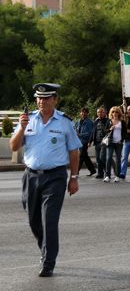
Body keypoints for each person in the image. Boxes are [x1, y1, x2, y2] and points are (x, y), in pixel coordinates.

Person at [10, 83, 82, 277]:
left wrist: (73, 178)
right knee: (34, 221)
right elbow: (14, 147)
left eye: (46, 98)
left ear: (55, 100)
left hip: (55, 177)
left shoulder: (65, 122)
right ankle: (45, 249)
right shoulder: (28, 119)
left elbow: (74, 151)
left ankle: (49, 262)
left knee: (49, 220)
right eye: (38, 98)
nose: (41, 101)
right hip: (31, 176)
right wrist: (21, 128)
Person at [105, 106, 124, 183]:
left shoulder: (122, 122)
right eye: (113, 112)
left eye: (116, 112)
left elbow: (124, 132)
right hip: (110, 142)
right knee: (108, 158)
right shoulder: (109, 121)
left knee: (118, 159)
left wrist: (121, 140)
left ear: (119, 113)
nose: (115, 113)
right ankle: (107, 175)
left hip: (118, 143)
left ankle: (117, 176)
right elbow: (104, 130)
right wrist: (110, 129)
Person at [74, 107, 96, 176]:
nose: (83, 114)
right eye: (82, 112)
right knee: (85, 157)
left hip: (85, 141)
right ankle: (92, 170)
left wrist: (81, 135)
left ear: (87, 113)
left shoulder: (89, 122)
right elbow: (76, 129)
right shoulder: (78, 121)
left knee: (81, 157)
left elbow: (90, 133)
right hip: (79, 141)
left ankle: (76, 171)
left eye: (85, 112)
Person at [89, 107, 109, 180]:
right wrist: (90, 141)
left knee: (102, 158)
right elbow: (93, 131)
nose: (99, 114)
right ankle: (100, 173)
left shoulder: (107, 121)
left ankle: (107, 173)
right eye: (98, 112)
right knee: (98, 159)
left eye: (101, 112)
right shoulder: (96, 121)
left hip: (104, 142)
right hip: (97, 142)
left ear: (104, 113)